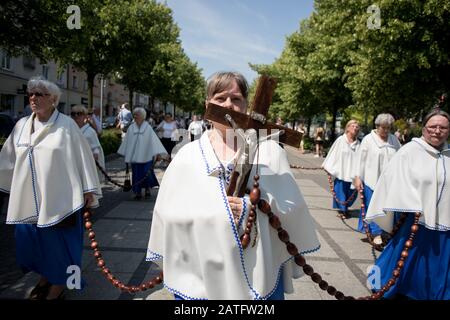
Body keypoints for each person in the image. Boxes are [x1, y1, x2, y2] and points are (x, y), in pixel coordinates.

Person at [146, 71, 320, 300]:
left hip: (258, 270)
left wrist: (250, 209)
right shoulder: (187, 156)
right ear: (207, 104)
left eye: (236, 99)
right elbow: (168, 216)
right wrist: (216, 211)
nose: (229, 104)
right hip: (201, 274)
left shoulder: (270, 152)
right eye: (220, 98)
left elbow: (292, 210)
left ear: (247, 105)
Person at [0, 77, 101, 300]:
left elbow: (82, 158)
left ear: (53, 99)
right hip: (29, 200)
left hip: (61, 200)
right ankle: (46, 277)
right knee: (31, 244)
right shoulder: (21, 125)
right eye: (31, 94)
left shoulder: (67, 127)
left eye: (39, 94)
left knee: (61, 246)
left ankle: (59, 286)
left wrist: (87, 190)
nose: (33, 98)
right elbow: (7, 159)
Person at [366, 108, 450, 300]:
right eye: (432, 126)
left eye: (443, 127)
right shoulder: (410, 151)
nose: (437, 131)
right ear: (423, 128)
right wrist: (410, 201)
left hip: (445, 222)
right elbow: (393, 179)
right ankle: (387, 285)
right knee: (405, 261)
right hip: (416, 220)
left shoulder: (449, 154)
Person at [353, 113, 401, 247]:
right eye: (383, 127)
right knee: (373, 206)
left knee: (387, 208)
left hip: (389, 182)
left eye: (388, 128)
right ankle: (376, 233)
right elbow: (360, 161)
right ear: (377, 126)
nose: (386, 131)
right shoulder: (368, 139)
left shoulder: (394, 140)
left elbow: (401, 157)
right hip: (372, 180)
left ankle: (386, 231)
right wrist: (357, 177)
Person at [118, 107, 167, 200]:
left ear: (142, 116)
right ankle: (138, 192)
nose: (135, 116)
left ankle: (147, 189)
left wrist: (159, 154)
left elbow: (154, 141)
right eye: (134, 114)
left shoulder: (148, 128)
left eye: (137, 114)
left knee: (146, 173)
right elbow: (127, 141)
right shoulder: (131, 127)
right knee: (136, 174)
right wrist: (125, 152)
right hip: (135, 156)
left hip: (147, 156)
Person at [322, 120, 361, 219]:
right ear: (347, 128)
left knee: (351, 193)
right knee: (340, 191)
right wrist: (328, 166)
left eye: (357, 127)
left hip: (353, 173)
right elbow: (333, 153)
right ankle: (342, 211)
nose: (355, 128)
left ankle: (345, 209)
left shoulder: (358, 143)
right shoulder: (341, 140)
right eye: (353, 126)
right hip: (341, 171)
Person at [71, 105, 105, 183]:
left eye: (79, 113)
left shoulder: (90, 131)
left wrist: (95, 155)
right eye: (73, 114)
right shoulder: (70, 130)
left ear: (84, 116)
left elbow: (96, 148)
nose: (76, 116)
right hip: (73, 163)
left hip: (86, 164)